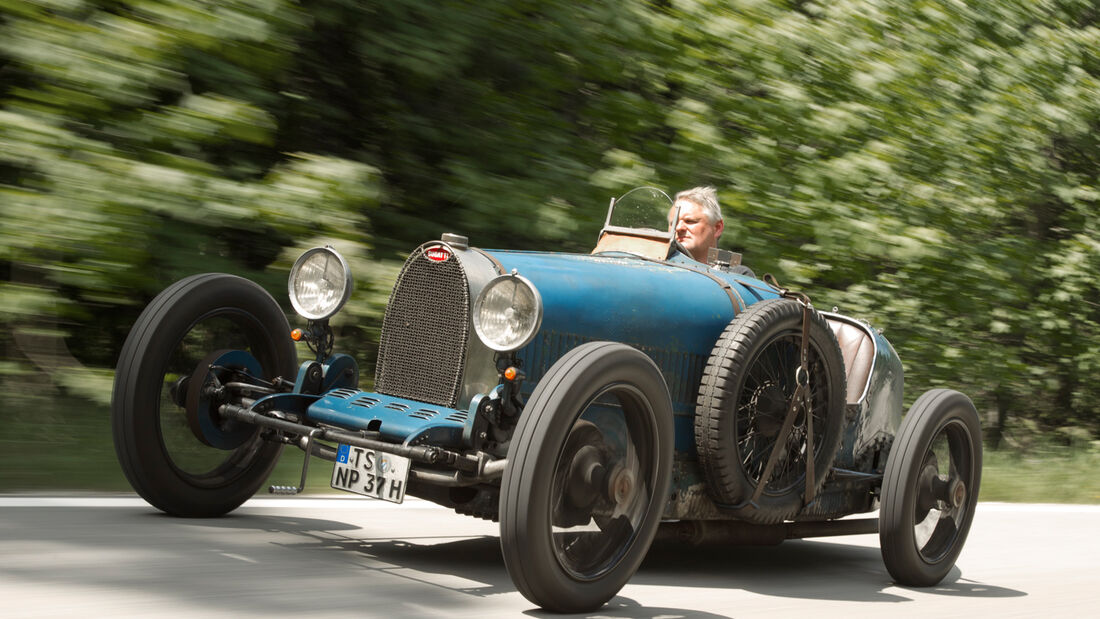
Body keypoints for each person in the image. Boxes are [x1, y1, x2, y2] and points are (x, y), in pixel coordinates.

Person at [669, 186, 724, 263]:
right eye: (673, 223)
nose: (678, 228)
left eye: (689, 221)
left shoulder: (736, 274)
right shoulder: (656, 266)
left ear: (717, 228)